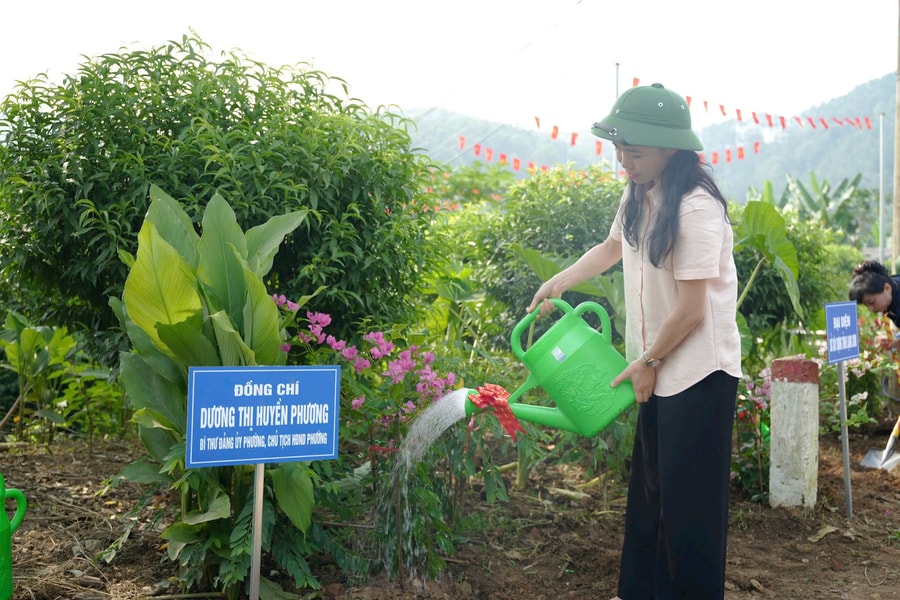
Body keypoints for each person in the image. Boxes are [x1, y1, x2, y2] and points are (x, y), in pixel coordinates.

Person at [527, 83, 742, 599]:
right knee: (652, 497)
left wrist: (647, 361)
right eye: (620, 149)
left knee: (689, 510)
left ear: (671, 149)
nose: (625, 160)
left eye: (636, 152)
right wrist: (560, 280)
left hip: (697, 373)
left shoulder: (695, 209)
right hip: (657, 365)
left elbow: (691, 311)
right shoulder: (639, 193)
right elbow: (609, 248)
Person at [848, 260, 900, 351]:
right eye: (866, 305)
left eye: (871, 302)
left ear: (887, 288)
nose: (870, 308)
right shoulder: (892, 297)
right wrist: (896, 339)